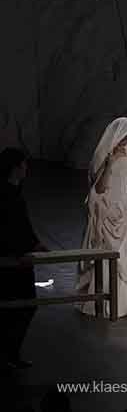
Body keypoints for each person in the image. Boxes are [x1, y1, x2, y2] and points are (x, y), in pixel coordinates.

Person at [77, 118, 127, 317]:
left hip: (123, 207)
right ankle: (107, 300)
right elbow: (99, 187)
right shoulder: (104, 155)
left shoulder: (124, 153)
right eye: (125, 138)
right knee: (110, 255)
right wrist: (109, 163)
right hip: (107, 209)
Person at [0, 148, 47, 369]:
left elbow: (22, 224)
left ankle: (11, 353)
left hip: (19, 255)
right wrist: (26, 248)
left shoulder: (14, 190)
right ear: (16, 167)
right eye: (24, 164)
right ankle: (9, 354)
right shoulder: (7, 193)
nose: (27, 168)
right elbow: (11, 227)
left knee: (20, 306)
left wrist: (35, 244)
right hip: (12, 258)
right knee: (20, 305)